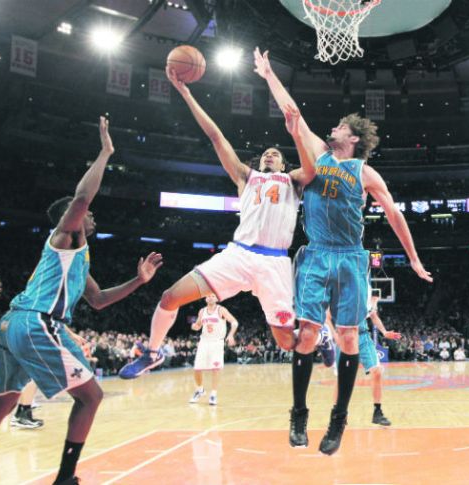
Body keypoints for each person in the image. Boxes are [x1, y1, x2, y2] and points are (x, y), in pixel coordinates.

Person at [0, 117, 164, 485]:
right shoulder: (64, 237)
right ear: (73, 218)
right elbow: (82, 198)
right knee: (91, 397)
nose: (92, 215)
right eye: (87, 214)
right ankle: (65, 479)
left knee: (3, 402)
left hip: (12, 323)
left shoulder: (76, 256)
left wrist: (139, 280)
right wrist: (105, 153)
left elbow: (97, 300)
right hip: (36, 322)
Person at [254, 46, 433, 455]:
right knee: (308, 336)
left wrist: (414, 258)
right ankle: (298, 414)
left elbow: (394, 216)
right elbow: (292, 112)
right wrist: (267, 75)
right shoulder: (317, 153)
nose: (331, 128)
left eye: (338, 126)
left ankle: (339, 418)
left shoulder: (366, 172)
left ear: (351, 138)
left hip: (351, 256)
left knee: (350, 337)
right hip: (316, 253)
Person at [119, 66, 329, 380]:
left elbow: (311, 170)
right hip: (238, 255)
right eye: (266, 154)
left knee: (288, 343)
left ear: (284, 164)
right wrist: (186, 93)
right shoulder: (246, 177)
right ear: (259, 162)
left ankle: (321, 333)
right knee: (169, 297)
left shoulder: (293, 180)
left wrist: (296, 132)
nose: (270, 155)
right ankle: (152, 353)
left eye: (276, 153)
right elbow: (216, 136)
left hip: (274, 264)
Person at [325, 288, 400, 427]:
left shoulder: (364, 289)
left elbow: (373, 315)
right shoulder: (338, 288)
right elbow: (327, 317)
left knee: (377, 371)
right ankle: (338, 413)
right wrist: (335, 335)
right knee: (342, 379)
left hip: (363, 336)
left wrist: (384, 332)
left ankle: (377, 412)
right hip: (344, 336)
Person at [188, 294, 239, 406]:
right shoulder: (202, 311)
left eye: (212, 296)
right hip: (204, 341)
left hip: (217, 342)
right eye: (208, 296)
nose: (210, 297)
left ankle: (213, 394)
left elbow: (234, 322)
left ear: (216, 298)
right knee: (197, 368)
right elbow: (198, 325)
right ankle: (200, 390)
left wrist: (231, 335)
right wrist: (194, 326)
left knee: (215, 368)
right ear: (205, 299)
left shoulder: (221, 310)